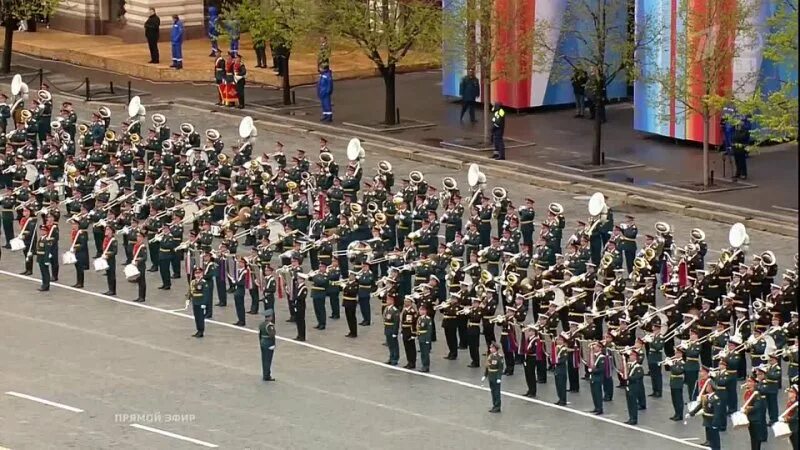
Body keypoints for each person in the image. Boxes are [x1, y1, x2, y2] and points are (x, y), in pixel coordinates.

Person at [742, 374, 767, 450]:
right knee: (752, 437)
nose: (748, 383)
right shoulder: (748, 392)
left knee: (756, 439)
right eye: (747, 381)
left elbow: (757, 406)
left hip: (756, 418)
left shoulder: (757, 393)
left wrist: (748, 408)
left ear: (754, 383)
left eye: (750, 381)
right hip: (750, 417)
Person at [624, 348, 645, 425]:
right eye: (630, 355)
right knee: (629, 403)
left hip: (634, 386)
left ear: (636, 357)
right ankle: (631, 417)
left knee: (633, 403)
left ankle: (634, 419)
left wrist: (628, 377)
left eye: (632, 355)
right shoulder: (630, 365)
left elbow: (638, 376)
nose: (630, 357)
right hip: (629, 386)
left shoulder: (638, 367)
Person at [484, 341, 504, 413]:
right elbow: (487, 366)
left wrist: (499, 378)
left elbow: (500, 369)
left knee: (496, 392)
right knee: (492, 391)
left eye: (491, 347)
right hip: (491, 376)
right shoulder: (490, 356)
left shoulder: (499, 357)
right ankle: (494, 405)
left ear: (495, 349)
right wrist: (485, 375)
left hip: (495, 376)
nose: (490, 349)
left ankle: (497, 406)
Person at [588, 341, 606, 414]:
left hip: (598, 377)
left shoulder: (602, 357)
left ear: (600, 348)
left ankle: (600, 408)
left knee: (598, 394)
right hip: (592, 377)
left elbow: (601, 369)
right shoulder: (594, 356)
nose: (594, 348)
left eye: (596, 347)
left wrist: (593, 370)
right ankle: (596, 407)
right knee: (594, 393)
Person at [732, 115, 751, 181]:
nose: (738, 124)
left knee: (742, 161)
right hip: (736, 147)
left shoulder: (745, 130)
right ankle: (738, 173)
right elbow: (733, 137)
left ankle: (744, 174)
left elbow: (742, 138)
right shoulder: (736, 130)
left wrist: (736, 139)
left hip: (742, 147)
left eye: (740, 122)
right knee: (737, 161)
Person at [189, 267, 207, 337]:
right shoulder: (193, 282)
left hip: (201, 302)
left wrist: (204, 303)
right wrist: (189, 298)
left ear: (202, 273)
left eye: (199, 273)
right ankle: (198, 330)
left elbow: (206, 294)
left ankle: (201, 331)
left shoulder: (203, 283)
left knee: (200, 317)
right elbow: (191, 291)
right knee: (196, 317)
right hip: (195, 301)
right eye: (196, 273)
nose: (197, 275)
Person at [259, 313, 276, 381]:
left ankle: (265, 374)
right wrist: (273, 344)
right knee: (268, 360)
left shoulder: (262, 324)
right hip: (268, 343)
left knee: (264, 359)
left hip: (262, 342)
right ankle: (267, 375)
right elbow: (272, 335)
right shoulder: (270, 325)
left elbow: (259, 334)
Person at [383, 296, 400, 366]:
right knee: (390, 345)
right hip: (387, 328)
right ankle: (391, 357)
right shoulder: (387, 309)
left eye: (388, 300)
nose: (387, 301)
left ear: (392, 301)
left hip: (392, 329)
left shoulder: (395, 310)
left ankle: (395, 358)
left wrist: (395, 332)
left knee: (394, 345)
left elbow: (396, 322)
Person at [101, 225, 117, 296]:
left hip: (111, 259)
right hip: (106, 259)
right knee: (108, 274)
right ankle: (110, 289)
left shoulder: (113, 240)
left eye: (108, 229)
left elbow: (115, 251)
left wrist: (107, 254)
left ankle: (112, 290)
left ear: (111, 231)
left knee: (111, 274)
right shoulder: (106, 239)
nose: (106, 231)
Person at [132, 231, 147, 302]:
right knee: (139, 281)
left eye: (140, 237)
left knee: (142, 281)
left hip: (141, 266)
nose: (138, 238)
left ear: (143, 238)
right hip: (136, 266)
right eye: (137, 236)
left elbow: (145, 257)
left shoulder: (143, 247)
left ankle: (142, 297)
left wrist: (138, 260)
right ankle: (139, 296)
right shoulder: (136, 245)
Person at [416, 303, 432, 372]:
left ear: (425, 311)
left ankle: (426, 366)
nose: (421, 311)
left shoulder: (427, 319)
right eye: (420, 310)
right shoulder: (419, 318)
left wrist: (428, 339)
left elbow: (429, 330)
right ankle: (423, 365)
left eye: (423, 310)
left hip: (425, 337)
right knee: (422, 353)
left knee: (425, 353)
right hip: (421, 337)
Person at [35, 224, 51, 291]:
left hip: (44, 258)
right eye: (41, 230)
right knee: (42, 272)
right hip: (40, 258)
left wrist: (46, 260)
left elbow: (47, 251)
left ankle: (46, 285)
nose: (42, 231)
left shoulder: (47, 240)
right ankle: (44, 284)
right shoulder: (41, 238)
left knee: (45, 272)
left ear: (46, 231)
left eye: (43, 230)